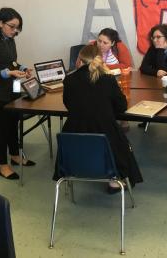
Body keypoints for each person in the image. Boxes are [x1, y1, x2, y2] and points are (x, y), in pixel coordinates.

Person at [53, 45, 143, 193]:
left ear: (79, 60)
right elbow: (121, 106)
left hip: (73, 137)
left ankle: (82, 170)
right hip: (105, 135)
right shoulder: (108, 79)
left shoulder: (69, 80)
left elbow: (69, 105)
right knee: (119, 140)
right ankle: (114, 181)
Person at [0, 7, 35, 180]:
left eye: (17, 27)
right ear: (0, 23)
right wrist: (8, 73)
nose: (15, 31)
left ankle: (15, 155)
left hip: (12, 90)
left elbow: (12, 62)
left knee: (14, 124)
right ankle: (3, 165)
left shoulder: (9, 40)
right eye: (12, 26)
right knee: (4, 128)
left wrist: (22, 68)